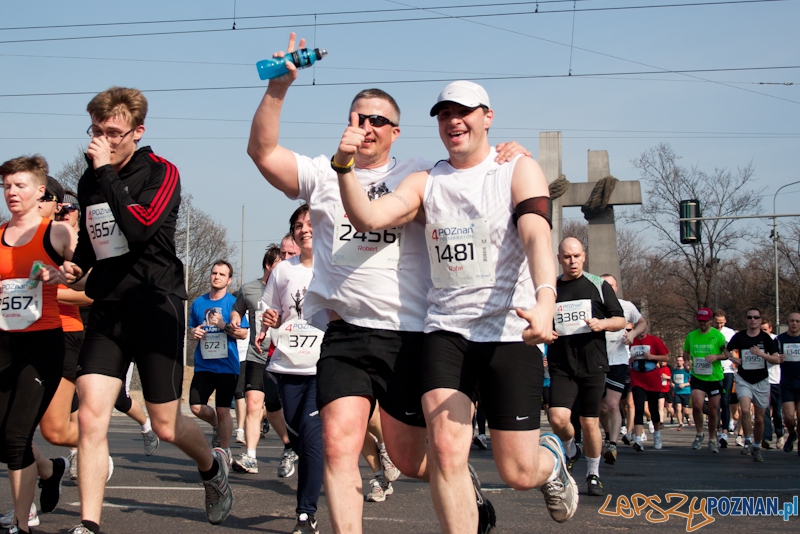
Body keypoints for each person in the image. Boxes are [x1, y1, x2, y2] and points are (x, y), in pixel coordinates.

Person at [247, 33, 530, 534]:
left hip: (410, 334)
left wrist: (507, 153)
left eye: (378, 119)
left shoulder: (422, 172)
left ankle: (465, 488)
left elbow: (476, 171)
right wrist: (279, 86)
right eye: (359, 117)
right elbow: (262, 150)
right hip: (345, 333)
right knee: (338, 445)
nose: (367, 126)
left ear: (396, 132)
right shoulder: (320, 173)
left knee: (415, 459)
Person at [334, 79, 579, 530]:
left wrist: (546, 298)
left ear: (487, 117)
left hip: (510, 330)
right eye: (444, 114)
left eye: (463, 111)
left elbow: (535, 237)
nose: (453, 121)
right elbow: (368, 218)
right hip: (446, 331)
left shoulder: (516, 168)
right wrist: (344, 166)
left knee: (517, 471)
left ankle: (551, 460)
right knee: (446, 451)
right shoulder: (427, 180)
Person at [59, 87, 233, 534]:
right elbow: (95, 243)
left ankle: (212, 467)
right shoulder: (89, 179)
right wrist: (73, 265)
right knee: (92, 416)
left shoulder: (162, 172)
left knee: (168, 424)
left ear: (138, 131)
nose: (102, 140)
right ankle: (89, 524)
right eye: (96, 131)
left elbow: (138, 228)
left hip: (157, 307)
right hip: (108, 311)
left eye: (113, 132)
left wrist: (106, 175)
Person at [0, 155, 75, 534]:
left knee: (16, 438)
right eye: (7, 186)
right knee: (2, 440)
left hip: (43, 344)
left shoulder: (57, 233)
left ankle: (21, 523)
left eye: (20, 185)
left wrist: (61, 274)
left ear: (40, 190)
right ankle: (50, 469)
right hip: (4, 343)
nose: (12, 193)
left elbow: (88, 281)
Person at [257, 204, 328, 534]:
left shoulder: (333, 265)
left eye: (310, 223)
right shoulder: (284, 271)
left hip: (322, 366)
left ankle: (305, 514)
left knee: (312, 438)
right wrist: (268, 322)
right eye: (298, 225)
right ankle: (321, 465)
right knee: (298, 436)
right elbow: (269, 309)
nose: (304, 229)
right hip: (288, 365)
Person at [543, 238, 624, 497]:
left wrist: (603, 324)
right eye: (567, 257)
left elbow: (620, 319)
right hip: (561, 363)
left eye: (576, 256)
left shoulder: (598, 285)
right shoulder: (552, 288)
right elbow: (542, 320)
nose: (572, 261)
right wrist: (547, 332)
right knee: (557, 417)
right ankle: (571, 449)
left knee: (589, 422)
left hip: (593, 363)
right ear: (559, 259)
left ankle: (593, 474)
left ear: (584, 256)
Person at [229, 240, 298, 476]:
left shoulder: (291, 288)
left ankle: (290, 445)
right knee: (253, 405)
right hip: (257, 355)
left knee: (275, 406)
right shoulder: (250, 289)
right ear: (268, 265)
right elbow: (237, 308)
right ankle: (250, 456)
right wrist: (235, 318)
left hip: (285, 356)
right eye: (280, 262)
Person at [188, 260, 249, 460]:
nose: (217, 277)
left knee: (223, 410)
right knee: (196, 406)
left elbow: (242, 334)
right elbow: (191, 327)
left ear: (229, 280)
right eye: (214, 273)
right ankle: (215, 425)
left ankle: (224, 451)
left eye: (222, 274)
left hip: (227, 366)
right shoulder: (198, 303)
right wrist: (194, 331)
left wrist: (223, 325)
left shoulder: (234, 303)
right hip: (204, 364)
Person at [598, 274, 646, 465]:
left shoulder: (626, 306)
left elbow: (643, 323)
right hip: (598, 361)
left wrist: (632, 334)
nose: (608, 289)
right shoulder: (594, 306)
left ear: (616, 288)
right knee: (601, 408)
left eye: (611, 285)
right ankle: (608, 432)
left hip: (618, 361)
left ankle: (612, 444)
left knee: (612, 405)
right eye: (605, 286)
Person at [727, 308, 782, 462]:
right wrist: (732, 358)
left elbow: (776, 359)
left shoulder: (766, 338)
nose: (752, 320)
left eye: (755, 317)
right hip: (744, 379)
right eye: (749, 317)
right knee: (744, 410)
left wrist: (761, 354)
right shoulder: (740, 337)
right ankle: (747, 441)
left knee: (759, 419)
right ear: (746, 319)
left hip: (762, 381)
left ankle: (756, 446)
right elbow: (725, 350)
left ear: (760, 320)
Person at [684, 307, 730, 454]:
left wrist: (716, 357)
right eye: (700, 321)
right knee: (697, 405)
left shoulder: (718, 336)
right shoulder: (691, 336)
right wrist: (686, 362)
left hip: (714, 377)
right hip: (698, 376)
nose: (702, 324)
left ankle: (711, 438)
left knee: (713, 410)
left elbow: (727, 354)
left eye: (704, 321)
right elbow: (686, 353)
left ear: (710, 320)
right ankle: (699, 433)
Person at [628, 327, 670, 451]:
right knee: (639, 407)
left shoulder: (654, 340)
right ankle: (638, 439)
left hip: (652, 377)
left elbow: (666, 357)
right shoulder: (632, 341)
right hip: (637, 377)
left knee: (653, 408)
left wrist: (652, 356)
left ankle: (657, 433)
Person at [777, 311, 800, 454]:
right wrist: (777, 357)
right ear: (788, 322)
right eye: (792, 321)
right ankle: (792, 433)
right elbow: (772, 356)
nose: (794, 323)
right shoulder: (780, 339)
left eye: (797, 321)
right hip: (787, 383)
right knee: (789, 416)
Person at [713, 309, 737, 444]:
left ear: (725, 321)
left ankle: (725, 432)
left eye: (722, 323)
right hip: (713, 371)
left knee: (725, 401)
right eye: (717, 323)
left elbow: (735, 350)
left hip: (727, 370)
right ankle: (717, 428)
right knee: (715, 402)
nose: (719, 326)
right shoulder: (709, 333)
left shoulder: (730, 333)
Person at [760, 318, 784, 449]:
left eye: (765, 330)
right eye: (761, 330)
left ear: (770, 329)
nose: (763, 332)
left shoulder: (777, 341)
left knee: (778, 412)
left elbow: (779, 359)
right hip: (764, 381)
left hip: (778, 380)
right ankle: (767, 438)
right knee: (765, 411)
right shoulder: (757, 341)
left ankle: (780, 435)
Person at [672, 356, 692, 429]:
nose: (679, 362)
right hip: (677, 392)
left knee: (686, 410)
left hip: (685, 392)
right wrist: (672, 384)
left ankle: (687, 417)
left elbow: (691, 382)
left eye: (680, 360)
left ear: (683, 362)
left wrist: (684, 384)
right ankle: (680, 423)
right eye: (677, 360)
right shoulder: (674, 371)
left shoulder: (687, 371)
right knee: (678, 408)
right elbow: (671, 380)